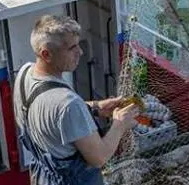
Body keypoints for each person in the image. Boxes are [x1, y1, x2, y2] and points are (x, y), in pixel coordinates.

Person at [13, 15, 140, 185]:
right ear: (46, 54)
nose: (80, 52)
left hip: (43, 177)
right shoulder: (68, 104)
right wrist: (119, 124)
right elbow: (99, 158)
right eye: (72, 48)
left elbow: (55, 116)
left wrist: (95, 107)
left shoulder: (24, 74)